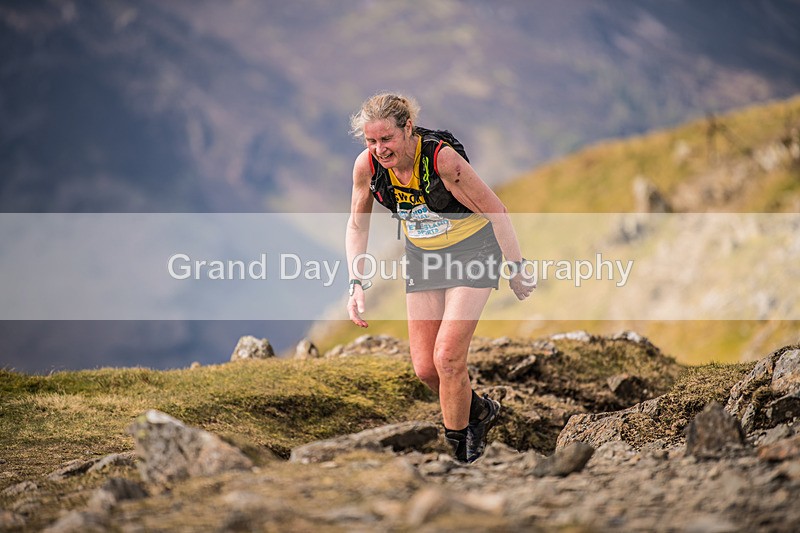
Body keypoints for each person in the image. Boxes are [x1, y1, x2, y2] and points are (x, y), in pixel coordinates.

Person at [345, 93, 534, 463]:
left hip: (473, 253)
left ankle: (457, 455)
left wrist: (515, 268)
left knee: (448, 357)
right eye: (371, 141)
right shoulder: (366, 167)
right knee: (426, 369)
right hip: (423, 258)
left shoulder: (441, 159)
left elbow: (496, 210)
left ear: (408, 129)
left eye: (387, 139)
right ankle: (479, 410)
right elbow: (356, 225)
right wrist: (356, 284)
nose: (379, 149)